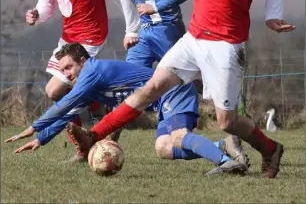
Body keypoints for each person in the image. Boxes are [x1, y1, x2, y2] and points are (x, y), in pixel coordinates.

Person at [66, 0, 295, 179]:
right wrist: (272, 16)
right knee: (151, 87)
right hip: (194, 40)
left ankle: (270, 149)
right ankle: (93, 134)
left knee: (226, 121)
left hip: (223, 48)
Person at [5, 43, 249, 176]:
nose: (66, 75)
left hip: (175, 91)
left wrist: (32, 127)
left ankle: (227, 162)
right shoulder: (87, 84)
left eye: (69, 67)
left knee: (178, 137)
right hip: (163, 102)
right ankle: (224, 146)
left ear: (83, 61)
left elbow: (63, 104)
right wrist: (41, 139)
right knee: (164, 149)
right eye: (63, 71)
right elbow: (67, 114)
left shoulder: (93, 72)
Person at [24, 0, 140, 153]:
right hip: (67, 39)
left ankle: (88, 134)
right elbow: (47, 4)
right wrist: (37, 13)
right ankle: (98, 117)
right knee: (65, 94)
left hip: (91, 40)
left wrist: (132, 30)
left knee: (54, 90)